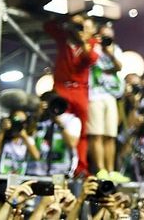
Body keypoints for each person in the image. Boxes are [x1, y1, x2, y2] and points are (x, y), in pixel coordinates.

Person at [43, 13, 99, 175]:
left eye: (86, 27)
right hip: (61, 88)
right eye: (80, 26)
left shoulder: (92, 43)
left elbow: (90, 60)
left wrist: (83, 41)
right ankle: (53, 161)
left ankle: (81, 166)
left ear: (92, 31)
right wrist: (67, 19)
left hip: (80, 90)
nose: (82, 30)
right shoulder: (64, 37)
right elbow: (48, 26)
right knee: (57, 122)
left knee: (82, 131)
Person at [87, 21, 124, 176]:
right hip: (95, 94)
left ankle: (111, 170)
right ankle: (100, 169)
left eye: (110, 36)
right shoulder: (92, 47)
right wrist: (97, 44)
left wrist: (108, 52)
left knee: (110, 135)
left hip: (110, 95)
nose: (107, 38)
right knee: (97, 134)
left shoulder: (116, 50)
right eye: (104, 35)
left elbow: (119, 67)